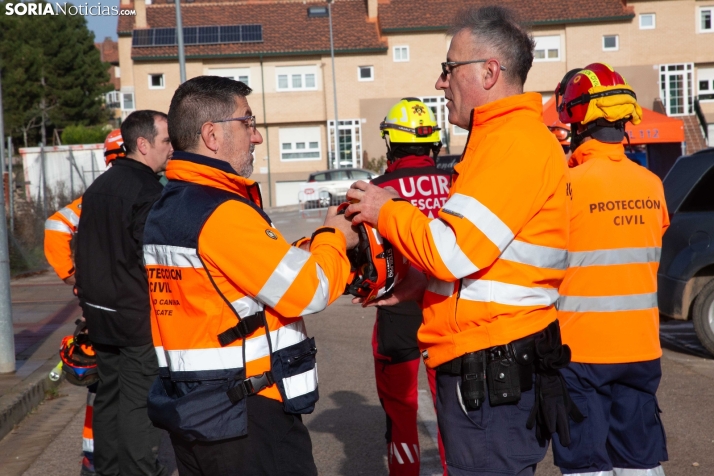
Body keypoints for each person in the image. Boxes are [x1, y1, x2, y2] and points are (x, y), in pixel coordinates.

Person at [345, 6, 577, 476]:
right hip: (488, 365)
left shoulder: (514, 144)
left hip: (493, 370)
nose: (440, 83)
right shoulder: (498, 142)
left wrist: (384, 208)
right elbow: (480, 254)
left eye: (449, 69)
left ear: (490, 72)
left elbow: (454, 252)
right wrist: (422, 284)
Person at [142, 75, 358, 476]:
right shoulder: (221, 211)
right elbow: (308, 291)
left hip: (197, 410)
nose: (256, 137)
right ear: (212, 135)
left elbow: (237, 282)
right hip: (246, 416)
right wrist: (334, 239)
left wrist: (308, 248)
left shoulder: (169, 207)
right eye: (249, 123)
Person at [551, 63, 669, 476]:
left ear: (577, 120)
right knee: (640, 462)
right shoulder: (651, 184)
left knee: (585, 465)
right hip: (640, 348)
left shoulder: (566, 186)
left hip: (580, 352)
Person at [75, 111, 172, 476]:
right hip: (134, 317)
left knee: (109, 397)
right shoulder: (148, 191)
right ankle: (140, 471)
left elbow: (82, 249)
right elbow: (154, 258)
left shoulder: (99, 185)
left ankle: (110, 470)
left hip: (100, 313)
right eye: (166, 141)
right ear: (143, 144)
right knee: (136, 402)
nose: (170, 148)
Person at [370, 98, 449, 476]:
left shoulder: (375, 189)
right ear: (433, 141)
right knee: (452, 404)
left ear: (390, 143)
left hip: (396, 310)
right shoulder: (456, 183)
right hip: (448, 304)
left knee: (401, 409)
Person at [43, 129, 127, 476]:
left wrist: (73, 278)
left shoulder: (94, 194)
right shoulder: (134, 190)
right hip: (131, 307)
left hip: (99, 308)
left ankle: (94, 459)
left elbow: (56, 224)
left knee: (102, 387)